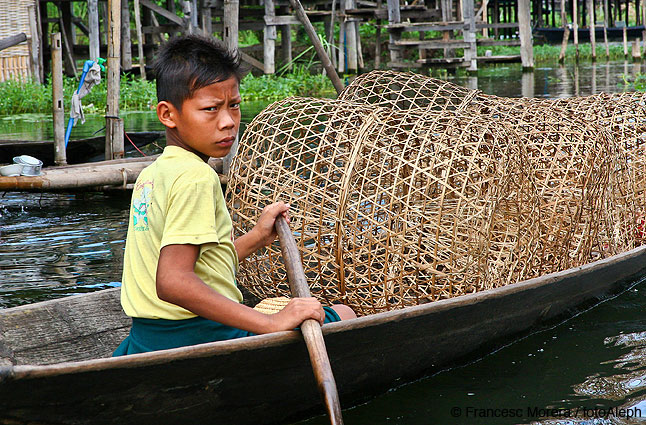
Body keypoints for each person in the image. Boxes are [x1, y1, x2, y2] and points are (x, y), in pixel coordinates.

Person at [113, 34, 355, 356]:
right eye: (211, 109)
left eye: (234, 106)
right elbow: (172, 281)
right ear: (168, 115)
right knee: (347, 314)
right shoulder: (196, 177)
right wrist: (269, 322)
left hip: (148, 338)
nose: (228, 122)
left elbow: (203, 269)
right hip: (198, 334)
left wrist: (256, 236)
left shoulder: (152, 175)